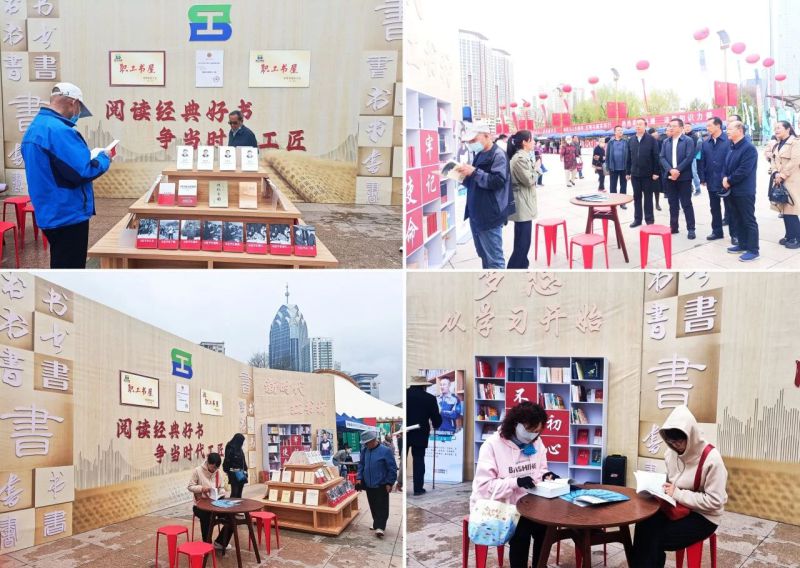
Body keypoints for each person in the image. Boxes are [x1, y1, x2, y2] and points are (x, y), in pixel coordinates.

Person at [21, 82, 113, 268]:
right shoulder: (59, 131)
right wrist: (104, 158)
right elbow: (82, 171)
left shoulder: (36, 127)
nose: (77, 114)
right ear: (73, 103)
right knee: (70, 269)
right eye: (79, 108)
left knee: (61, 264)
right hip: (67, 213)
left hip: (49, 211)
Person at [632, 406, 728, 568]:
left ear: (691, 435)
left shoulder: (712, 460)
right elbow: (672, 481)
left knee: (655, 539)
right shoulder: (670, 453)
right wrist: (655, 487)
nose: (675, 445)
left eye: (679, 441)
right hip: (678, 507)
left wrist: (677, 493)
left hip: (704, 516)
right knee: (643, 524)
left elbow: (715, 501)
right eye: (670, 441)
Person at [470, 402, 557, 567]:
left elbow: (540, 470)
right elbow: (484, 486)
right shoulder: (492, 445)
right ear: (516, 424)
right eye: (529, 430)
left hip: (530, 503)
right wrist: (515, 482)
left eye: (537, 431)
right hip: (503, 505)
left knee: (546, 528)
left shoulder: (537, 442)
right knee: (521, 533)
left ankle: (540, 565)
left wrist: (547, 476)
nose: (533, 435)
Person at [456, 121, 514, 269]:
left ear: (487, 136)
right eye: (469, 142)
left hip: (490, 216)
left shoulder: (498, 155)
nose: (471, 144)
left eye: (474, 140)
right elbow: (476, 182)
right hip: (476, 214)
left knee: (495, 260)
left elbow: (498, 181)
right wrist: (461, 177)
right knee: (483, 255)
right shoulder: (480, 154)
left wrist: (474, 172)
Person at [723, 121, 760, 261]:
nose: (727, 131)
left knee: (748, 220)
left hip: (744, 191)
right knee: (737, 218)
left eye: (730, 129)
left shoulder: (749, 148)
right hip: (732, 190)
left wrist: (729, 180)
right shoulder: (732, 146)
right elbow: (725, 165)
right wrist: (724, 177)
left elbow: (744, 170)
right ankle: (742, 244)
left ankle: (753, 250)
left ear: (739, 130)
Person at [356, 429, 397, 538]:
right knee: (373, 505)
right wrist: (359, 477)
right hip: (369, 484)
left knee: (382, 506)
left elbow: (392, 468)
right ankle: (376, 523)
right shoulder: (365, 451)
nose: (365, 445)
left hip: (381, 484)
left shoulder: (385, 451)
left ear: (373, 440)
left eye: (367, 442)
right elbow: (361, 464)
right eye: (364, 443)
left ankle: (380, 527)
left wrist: (389, 482)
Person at [660, 118, 697, 239]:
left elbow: (689, 157)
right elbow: (662, 157)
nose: (671, 128)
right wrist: (671, 170)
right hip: (670, 177)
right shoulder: (666, 141)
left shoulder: (688, 140)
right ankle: (674, 227)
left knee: (686, 203)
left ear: (681, 128)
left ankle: (691, 229)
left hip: (684, 177)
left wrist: (678, 170)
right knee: (673, 203)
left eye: (674, 126)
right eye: (670, 126)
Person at [506, 130, 538, 269]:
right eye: (532, 140)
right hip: (522, 205)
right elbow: (529, 180)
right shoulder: (519, 159)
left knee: (523, 242)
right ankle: (513, 271)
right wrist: (537, 169)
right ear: (525, 142)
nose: (534, 142)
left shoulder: (524, 156)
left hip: (525, 203)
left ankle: (522, 267)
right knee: (522, 244)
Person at [698, 117, 734, 242]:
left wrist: (729, 178)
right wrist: (702, 177)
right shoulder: (705, 143)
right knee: (714, 208)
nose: (707, 128)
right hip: (711, 180)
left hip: (726, 181)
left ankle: (734, 235)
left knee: (730, 208)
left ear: (718, 126)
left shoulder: (729, 141)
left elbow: (733, 161)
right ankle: (717, 231)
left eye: (709, 125)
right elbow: (701, 161)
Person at [406, 375, 442, 496]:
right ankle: (418, 489)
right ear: (423, 386)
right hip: (420, 433)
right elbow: (436, 419)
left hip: (405, 432)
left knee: (403, 460)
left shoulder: (405, 394)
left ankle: (401, 485)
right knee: (419, 460)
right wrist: (437, 423)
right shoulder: (429, 398)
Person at [188, 453, 232, 551]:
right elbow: (190, 487)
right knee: (206, 517)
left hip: (215, 503)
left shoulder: (218, 472)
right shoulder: (198, 471)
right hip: (200, 505)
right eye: (212, 467)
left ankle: (220, 542)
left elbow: (221, 487)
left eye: (216, 468)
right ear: (207, 462)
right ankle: (207, 545)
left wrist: (220, 492)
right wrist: (201, 488)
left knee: (231, 517)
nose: (213, 470)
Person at [769, 121, 800, 249]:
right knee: (784, 209)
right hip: (779, 180)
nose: (776, 130)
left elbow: (795, 161)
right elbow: (773, 160)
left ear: (788, 129)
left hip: (791, 180)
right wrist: (775, 172)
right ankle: (789, 235)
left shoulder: (795, 143)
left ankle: (796, 238)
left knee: (791, 209)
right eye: (775, 128)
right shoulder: (777, 144)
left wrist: (782, 175)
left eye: (779, 128)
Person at [626, 118, 661, 227]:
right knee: (637, 197)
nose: (638, 126)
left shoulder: (651, 139)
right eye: (636, 124)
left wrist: (656, 172)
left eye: (640, 124)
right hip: (635, 174)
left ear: (645, 126)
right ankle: (637, 219)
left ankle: (649, 220)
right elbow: (628, 158)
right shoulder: (631, 140)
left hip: (648, 175)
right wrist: (627, 172)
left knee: (648, 198)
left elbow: (656, 156)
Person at [606, 126, 628, 208]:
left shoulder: (626, 141)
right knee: (613, 186)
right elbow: (607, 155)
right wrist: (607, 166)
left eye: (621, 130)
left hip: (624, 168)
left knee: (623, 185)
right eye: (618, 130)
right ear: (615, 132)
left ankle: (622, 202)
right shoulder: (611, 142)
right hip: (613, 168)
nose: (620, 131)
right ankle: (613, 202)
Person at [222, 433, 248, 498]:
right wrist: (229, 471)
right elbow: (227, 461)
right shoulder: (230, 447)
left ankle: (239, 504)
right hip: (233, 472)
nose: (242, 443)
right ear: (237, 440)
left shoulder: (239, 448)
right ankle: (232, 504)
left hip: (241, 472)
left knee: (239, 492)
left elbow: (243, 460)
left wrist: (245, 470)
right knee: (234, 493)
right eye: (241, 441)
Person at [683, 122, 703, 196]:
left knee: (694, 173)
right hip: (684, 158)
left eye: (688, 126)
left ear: (691, 127)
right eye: (686, 127)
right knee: (686, 173)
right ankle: (690, 188)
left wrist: (693, 156)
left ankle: (698, 189)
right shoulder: (682, 136)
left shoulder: (694, 136)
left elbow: (698, 147)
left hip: (692, 158)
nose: (687, 128)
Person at [648, 128, 664, 211]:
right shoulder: (647, 142)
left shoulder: (660, 142)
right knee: (648, 188)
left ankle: (657, 203)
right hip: (647, 168)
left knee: (656, 188)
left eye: (657, 134)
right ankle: (649, 203)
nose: (656, 135)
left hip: (657, 167)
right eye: (654, 134)